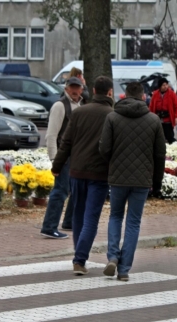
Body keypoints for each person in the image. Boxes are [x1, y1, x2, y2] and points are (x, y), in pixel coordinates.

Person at [99, 82, 166, 281]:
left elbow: (104, 149)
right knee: (133, 223)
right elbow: (160, 154)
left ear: (125, 96)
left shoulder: (112, 117)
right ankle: (125, 269)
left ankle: (112, 256)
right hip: (142, 179)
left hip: (118, 177)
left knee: (115, 216)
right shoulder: (154, 120)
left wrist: (113, 163)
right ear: (143, 96)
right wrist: (157, 181)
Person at [52, 76, 114, 275]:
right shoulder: (112, 115)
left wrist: (57, 165)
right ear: (110, 93)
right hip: (100, 173)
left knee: (77, 215)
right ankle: (79, 258)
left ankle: (79, 257)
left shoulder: (79, 113)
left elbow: (66, 142)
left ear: (93, 91)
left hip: (77, 171)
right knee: (91, 218)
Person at [40, 77, 84, 239]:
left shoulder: (79, 105)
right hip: (63, 157)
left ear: (81, 89)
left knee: (75, 190)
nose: (74, 90)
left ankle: (69, 222)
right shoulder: (60, 106)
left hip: (75, 157)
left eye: (77, 87)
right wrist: (54, 159)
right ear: (66, 88)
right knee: (60, 191)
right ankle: (49, 227)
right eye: (71, 87)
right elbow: (51, 135)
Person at [149, 77, 177, 145]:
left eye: (166, 84)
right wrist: (150, 117)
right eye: (163, 85)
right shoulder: (155, 94)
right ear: (160, 86)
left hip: (168, 120)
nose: (165, 86)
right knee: (158, 138)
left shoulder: (172, 94)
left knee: (170, 137)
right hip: (158, 119)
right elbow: (151, 107)